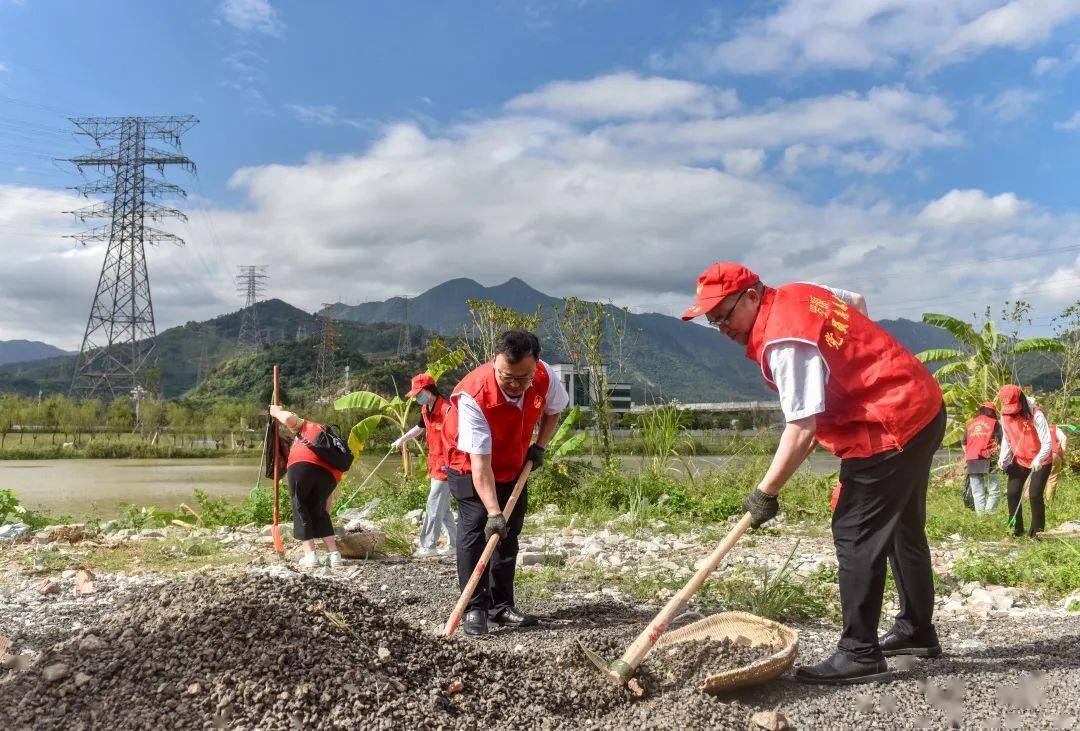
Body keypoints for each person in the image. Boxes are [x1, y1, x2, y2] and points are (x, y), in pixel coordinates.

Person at [682, 262, 945, 685]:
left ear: (751, 295)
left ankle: (860, 653)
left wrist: (764, 492)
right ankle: (917, 629)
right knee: (901, 526)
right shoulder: (801, 292)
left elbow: (801, 431)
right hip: (920, 402)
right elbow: (856, 302)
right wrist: (864, 362)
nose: (720, 326)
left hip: (888, 423)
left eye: (723, 314)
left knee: (855, 530)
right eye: (712, 320)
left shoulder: (785, 340)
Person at [441, 329, 569, 636]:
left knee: (508, 533)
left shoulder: (544, 376)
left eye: (521, 378)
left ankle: (501, 606)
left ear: (535, 366)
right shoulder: (473, 395)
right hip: (468, 465)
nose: (513, 384)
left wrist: (540, 446)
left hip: (513, 462)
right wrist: (494, 513)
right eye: (505, 376)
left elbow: (555, 410)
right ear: (494, 362)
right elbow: (480, 465)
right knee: (476, 527)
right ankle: (475, 607)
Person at [269, 404, 344, 568]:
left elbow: (288, 419)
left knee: (299, 505)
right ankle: (334, 555)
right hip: (331, 474)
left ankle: (310, 556)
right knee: (319, 509)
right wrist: (321, 514)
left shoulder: (305, 424)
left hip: (303, 465)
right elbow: (327, 502)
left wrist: (276, 412)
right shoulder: (327, 442)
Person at [393, 372, 457, 557]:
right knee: (442, 507)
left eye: (418, 394)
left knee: (434, 503)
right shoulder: (426, 409)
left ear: (429, 391)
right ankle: (454, 545)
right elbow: (421, 427)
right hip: (434, 462)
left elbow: (456, 438)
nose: (416, 398)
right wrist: (402, 439)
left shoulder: (447, 409)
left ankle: (428, 546)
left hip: (447, 464)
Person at [997, 385, 1053, 537]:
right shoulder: (1004, 415)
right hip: (1020, 458)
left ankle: (1037, 533)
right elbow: (1007, 440)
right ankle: (1015, 529)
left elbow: (1047, 442)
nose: (1012, 411)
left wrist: (1038, 459)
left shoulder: (1036, 414)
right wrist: (1003, 458)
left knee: (1034, 494)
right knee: (1012, 492)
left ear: (1020, 399)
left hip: (1041, 458)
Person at [962, 403, 1002, 513]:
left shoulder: (970, 424)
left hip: (972, 459)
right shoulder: (994, 423)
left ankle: (981, 517)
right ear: (992, 412)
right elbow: (1002, 442)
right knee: (994, 490)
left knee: (977, 491)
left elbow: (964, 443)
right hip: (989, 458)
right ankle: (989, 514)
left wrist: (969, 453)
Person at [1045, 424, 1068, 503]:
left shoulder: (1034, 426)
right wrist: (1063, 454)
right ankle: (1049, 501)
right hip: (1054, 453)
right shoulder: (1054, 427)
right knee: (1052, 479)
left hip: (1040, 455)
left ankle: (1027, 499)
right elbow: (1064, 438)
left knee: (1033, 477)